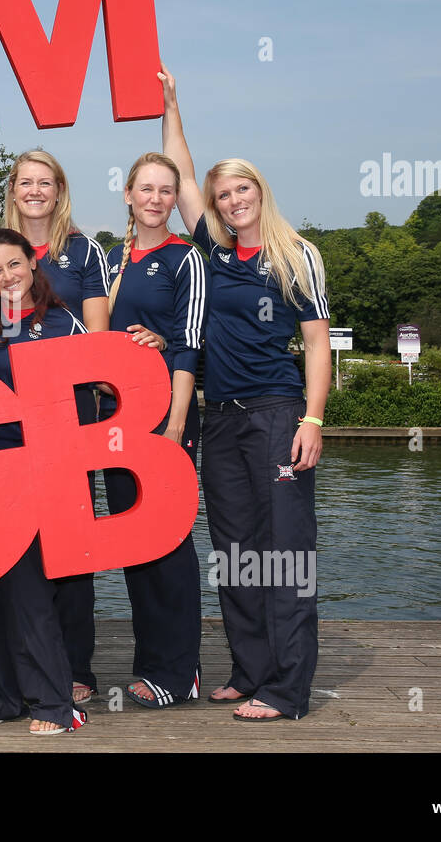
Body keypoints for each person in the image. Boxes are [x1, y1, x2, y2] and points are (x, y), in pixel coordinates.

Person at [160, 62, 329, 721]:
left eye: (241, 189)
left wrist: (313, 418)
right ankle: (250, 668)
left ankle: (287, 688)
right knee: (235, 553)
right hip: (221, 420)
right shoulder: (216, 253)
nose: (231, 201)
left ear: (260, 190)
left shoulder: (296, 254)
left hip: (277, 413)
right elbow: (178, 174)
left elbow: (316, 344)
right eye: (222, 193)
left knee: (284, 552)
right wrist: (172, 105)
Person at [0, 228, 90, 734]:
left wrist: (152, 341)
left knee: (29, 589)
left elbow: (94, 388)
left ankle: (54, 703)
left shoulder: (63, 322)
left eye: (14, 265)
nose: (7, 277)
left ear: (32, 264)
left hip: (36, 472)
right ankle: (0, 695)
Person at [2, 149, 110, 704]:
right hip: (3, 423)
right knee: (8, 544)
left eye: (46, 182)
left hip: (68, 419)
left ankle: (76, 667)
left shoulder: (82, 250)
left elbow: (94, 346)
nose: (35, 191)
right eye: (26, 182)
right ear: (14, 189)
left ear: (59, 189)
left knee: (69, 545)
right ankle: (4, 661)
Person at [103, 152, 209, 710]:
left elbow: (189, 340)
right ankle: (151, 662)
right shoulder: (108, 259)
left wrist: (173, 428)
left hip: (165, 418)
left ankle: (179, 669)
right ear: (127, 194)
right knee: (132, 539)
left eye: (166, 191)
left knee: (168, 540)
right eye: (145, 188)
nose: (155, 198)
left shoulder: (184, 258)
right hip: (113, 421)